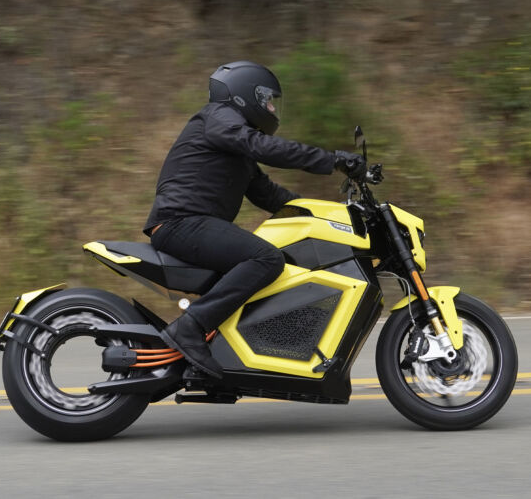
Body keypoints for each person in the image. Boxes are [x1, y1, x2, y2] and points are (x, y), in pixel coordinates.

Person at [144, 61, 366, 379]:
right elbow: (261, 146)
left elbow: (271, 196)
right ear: (245, 95)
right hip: (181, 222)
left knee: (277, 260)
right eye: (268, 100)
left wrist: (330, 213)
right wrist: (332, 160)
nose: (273, 108)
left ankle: (233, 349)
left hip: (193, 224)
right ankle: (190, 327)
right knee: (265, 258)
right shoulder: (219, 119)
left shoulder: (235, 148)